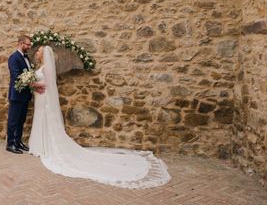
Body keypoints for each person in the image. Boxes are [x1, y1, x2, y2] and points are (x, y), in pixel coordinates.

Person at [28, 45, 171, 188]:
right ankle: (42, 146)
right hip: (40, 97)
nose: (38, 52)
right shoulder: (40, 65)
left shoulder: (47, 66)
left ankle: (46, 147)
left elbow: (48, 83)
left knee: (45, 119)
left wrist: (33, 83)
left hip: (44, 98)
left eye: (39, 51)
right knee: (40, 119)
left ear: (44, 54)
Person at [6, 35, 44, 154]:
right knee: (13, 120)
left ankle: (18, 142)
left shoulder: (26, 58)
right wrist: (33, 85)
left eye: (29, 45)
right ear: (21, 43)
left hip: (25, 95)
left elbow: (28, 75)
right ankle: (10, 143)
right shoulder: (14, 58)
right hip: (17, 95)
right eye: (27, 44)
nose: (29, 46)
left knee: (21, 120)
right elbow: (17, 76)